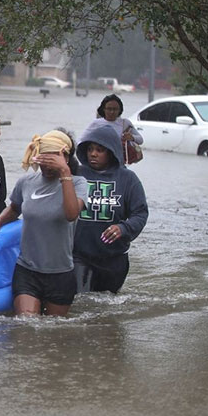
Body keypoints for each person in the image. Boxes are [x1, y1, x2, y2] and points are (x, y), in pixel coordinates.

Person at [0, 129, 87, 317]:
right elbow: (15, 208)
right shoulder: (27, 182)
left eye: (52, 161)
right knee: (26, 325)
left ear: (64, 157)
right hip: (27, 270)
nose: (47, 167)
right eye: (43, 161)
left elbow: (71, 214)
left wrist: (64, 171)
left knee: (53, 333)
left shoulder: (79, 183)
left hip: (61, 273)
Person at [73, 124, 149, 294]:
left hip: (114, 258)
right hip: (80, 255)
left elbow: (140, 213)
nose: (93, 154)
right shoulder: (76, 174)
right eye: (90, 149)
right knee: (81, 301)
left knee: (107, 307)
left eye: (100, 150)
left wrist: (123, 228)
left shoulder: (128, 179)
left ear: (111, 151)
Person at [79, 94, 144, 151]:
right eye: (109, 109)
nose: (112, 112)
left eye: (115, 109)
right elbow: (81, 140)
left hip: (119, 162)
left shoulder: (125, 123)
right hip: (100, 162)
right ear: (104, 109)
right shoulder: (96, 123)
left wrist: (132, 137)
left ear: (120, 110)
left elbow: (141, 140)